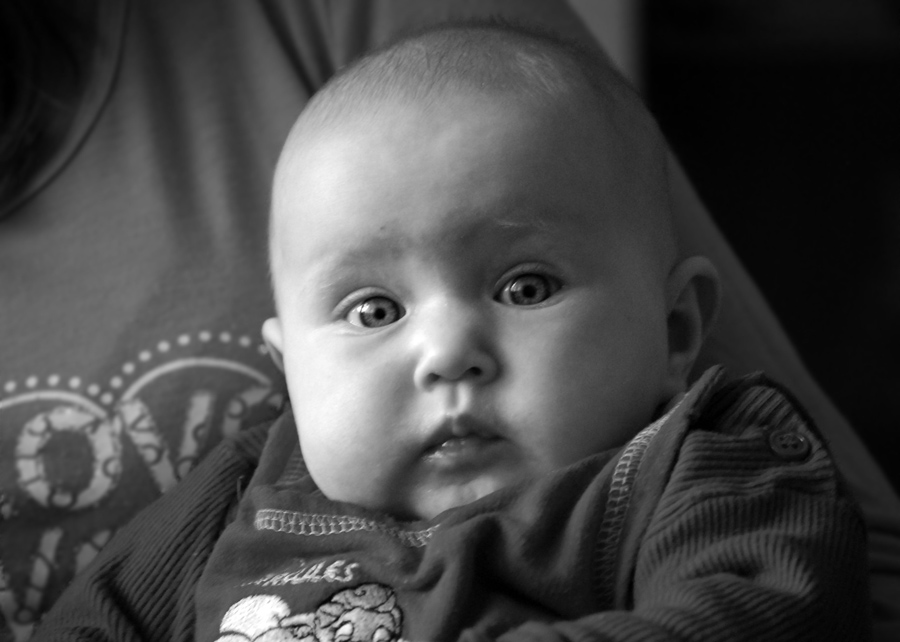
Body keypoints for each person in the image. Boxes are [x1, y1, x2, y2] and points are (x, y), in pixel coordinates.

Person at [3, 2, 899, 640]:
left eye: (525, 288)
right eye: (374, 310)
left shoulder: (707, 469)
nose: (447, 353)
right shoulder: (237, 493)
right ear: (288, 374)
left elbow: (760, 613)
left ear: (674, 332)